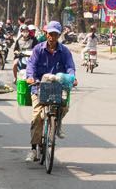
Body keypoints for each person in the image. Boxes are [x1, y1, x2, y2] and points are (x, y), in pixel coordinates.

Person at [25, 21, 77, 161]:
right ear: (46, 34)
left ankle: (57, 124)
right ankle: (34, 149)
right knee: (36, 117)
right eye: (50, 34)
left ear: (59, 35)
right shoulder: (38, 49)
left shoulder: (64, 51)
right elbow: (31, 66)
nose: (52, 37)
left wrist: (72, 78)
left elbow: (70, 67)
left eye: (55, 34)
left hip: (57, 88)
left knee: (64, 106)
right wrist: (30, 77)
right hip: (39, 86)